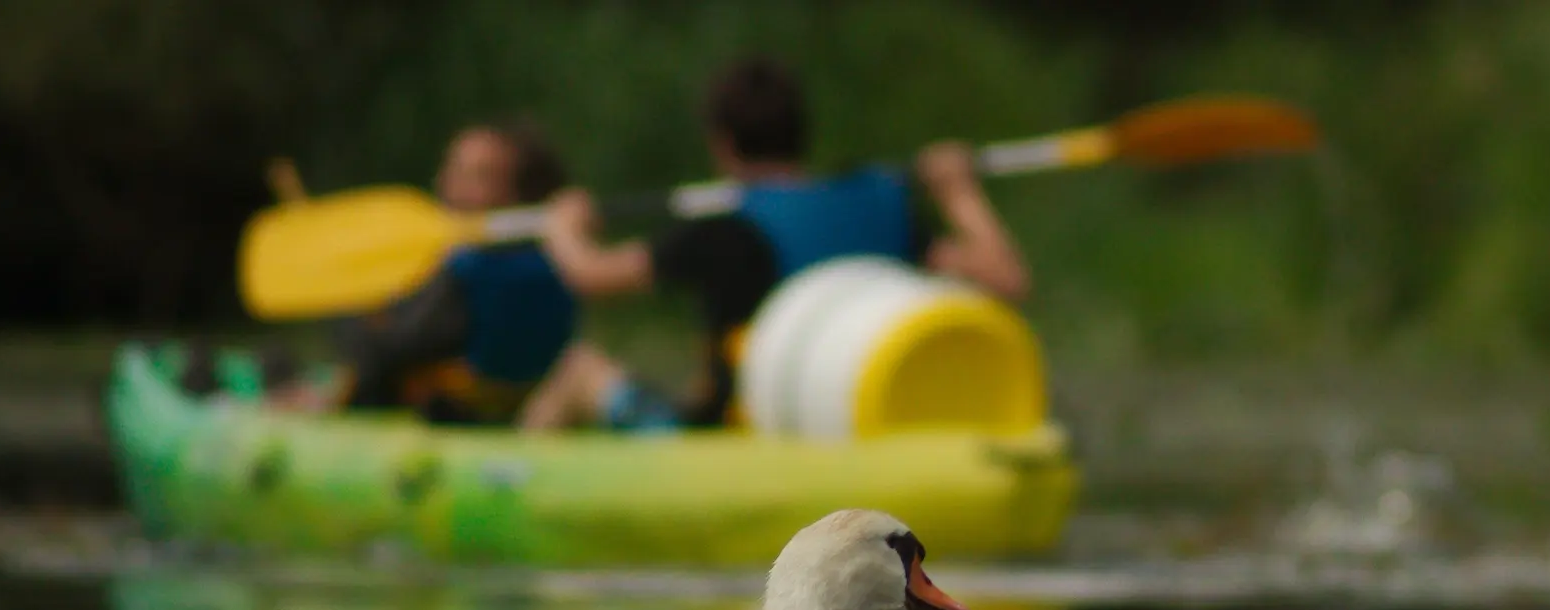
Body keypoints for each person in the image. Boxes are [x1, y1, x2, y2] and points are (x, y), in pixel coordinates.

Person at [522, 56, 1030, 432]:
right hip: (859, 424)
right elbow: (1006, 278)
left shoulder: (722, 228)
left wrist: (562, 225)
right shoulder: (880, 206)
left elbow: (588, 274)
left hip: (741, 434)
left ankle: (512, 480)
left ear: (721, 143)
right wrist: (959, 193)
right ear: (801, 133)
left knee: (579, 368)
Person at [270, 123, 578, 424]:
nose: (451, 186)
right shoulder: (554, 263)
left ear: (516, 195)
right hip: (492, 406)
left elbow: (391, 352)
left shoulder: (470, 270)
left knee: (283, 362)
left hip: (447, 411)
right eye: (452, 171)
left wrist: (345, 299)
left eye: (477, 177)